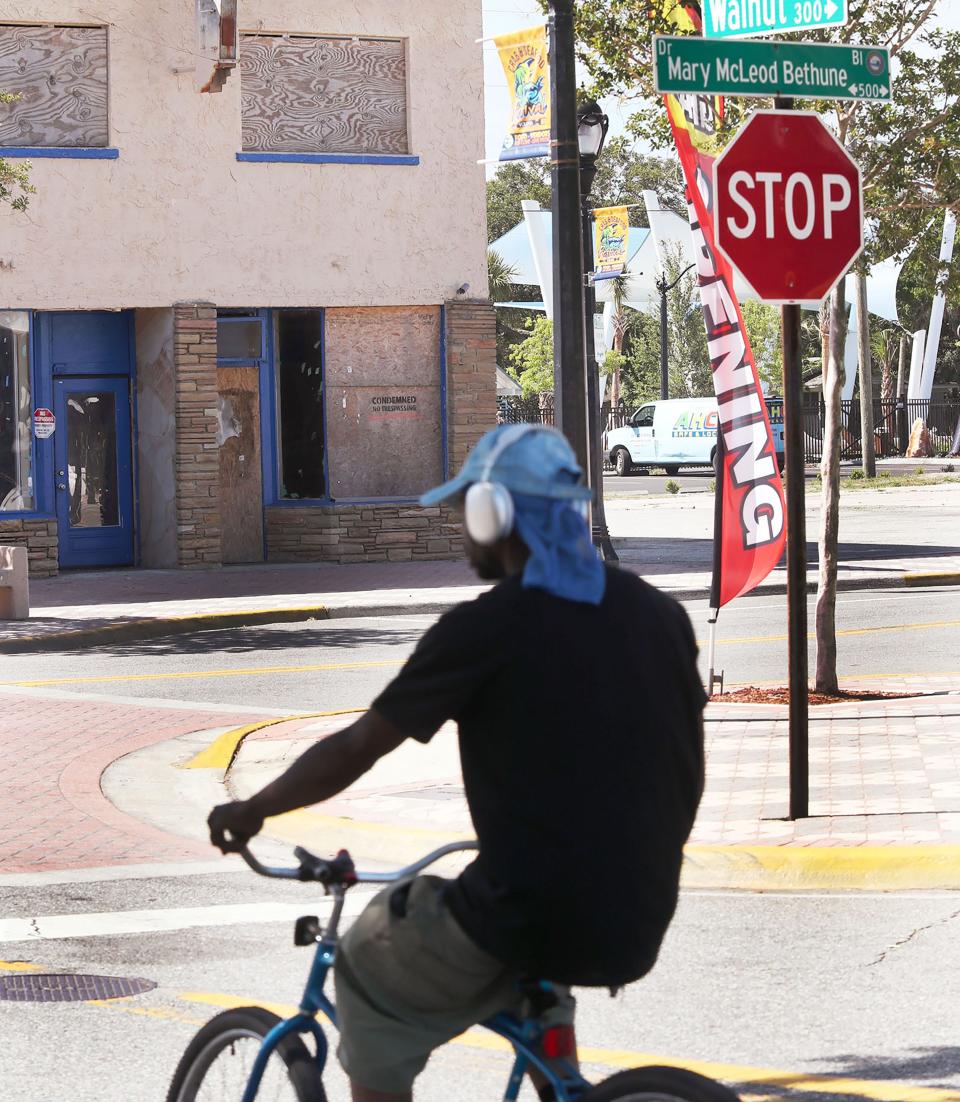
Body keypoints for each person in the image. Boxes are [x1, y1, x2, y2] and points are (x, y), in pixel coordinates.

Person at [209, 424, 706, 1102]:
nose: (462, 530)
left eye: (467, 510)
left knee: (362, 964)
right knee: (532, 938)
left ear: (492, 514)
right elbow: (683, 768)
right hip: (638, 912)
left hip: (526, 912)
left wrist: (254, 807)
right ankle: (555, 1060)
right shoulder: (659, 616)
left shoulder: (485, 629)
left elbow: (357, 748)